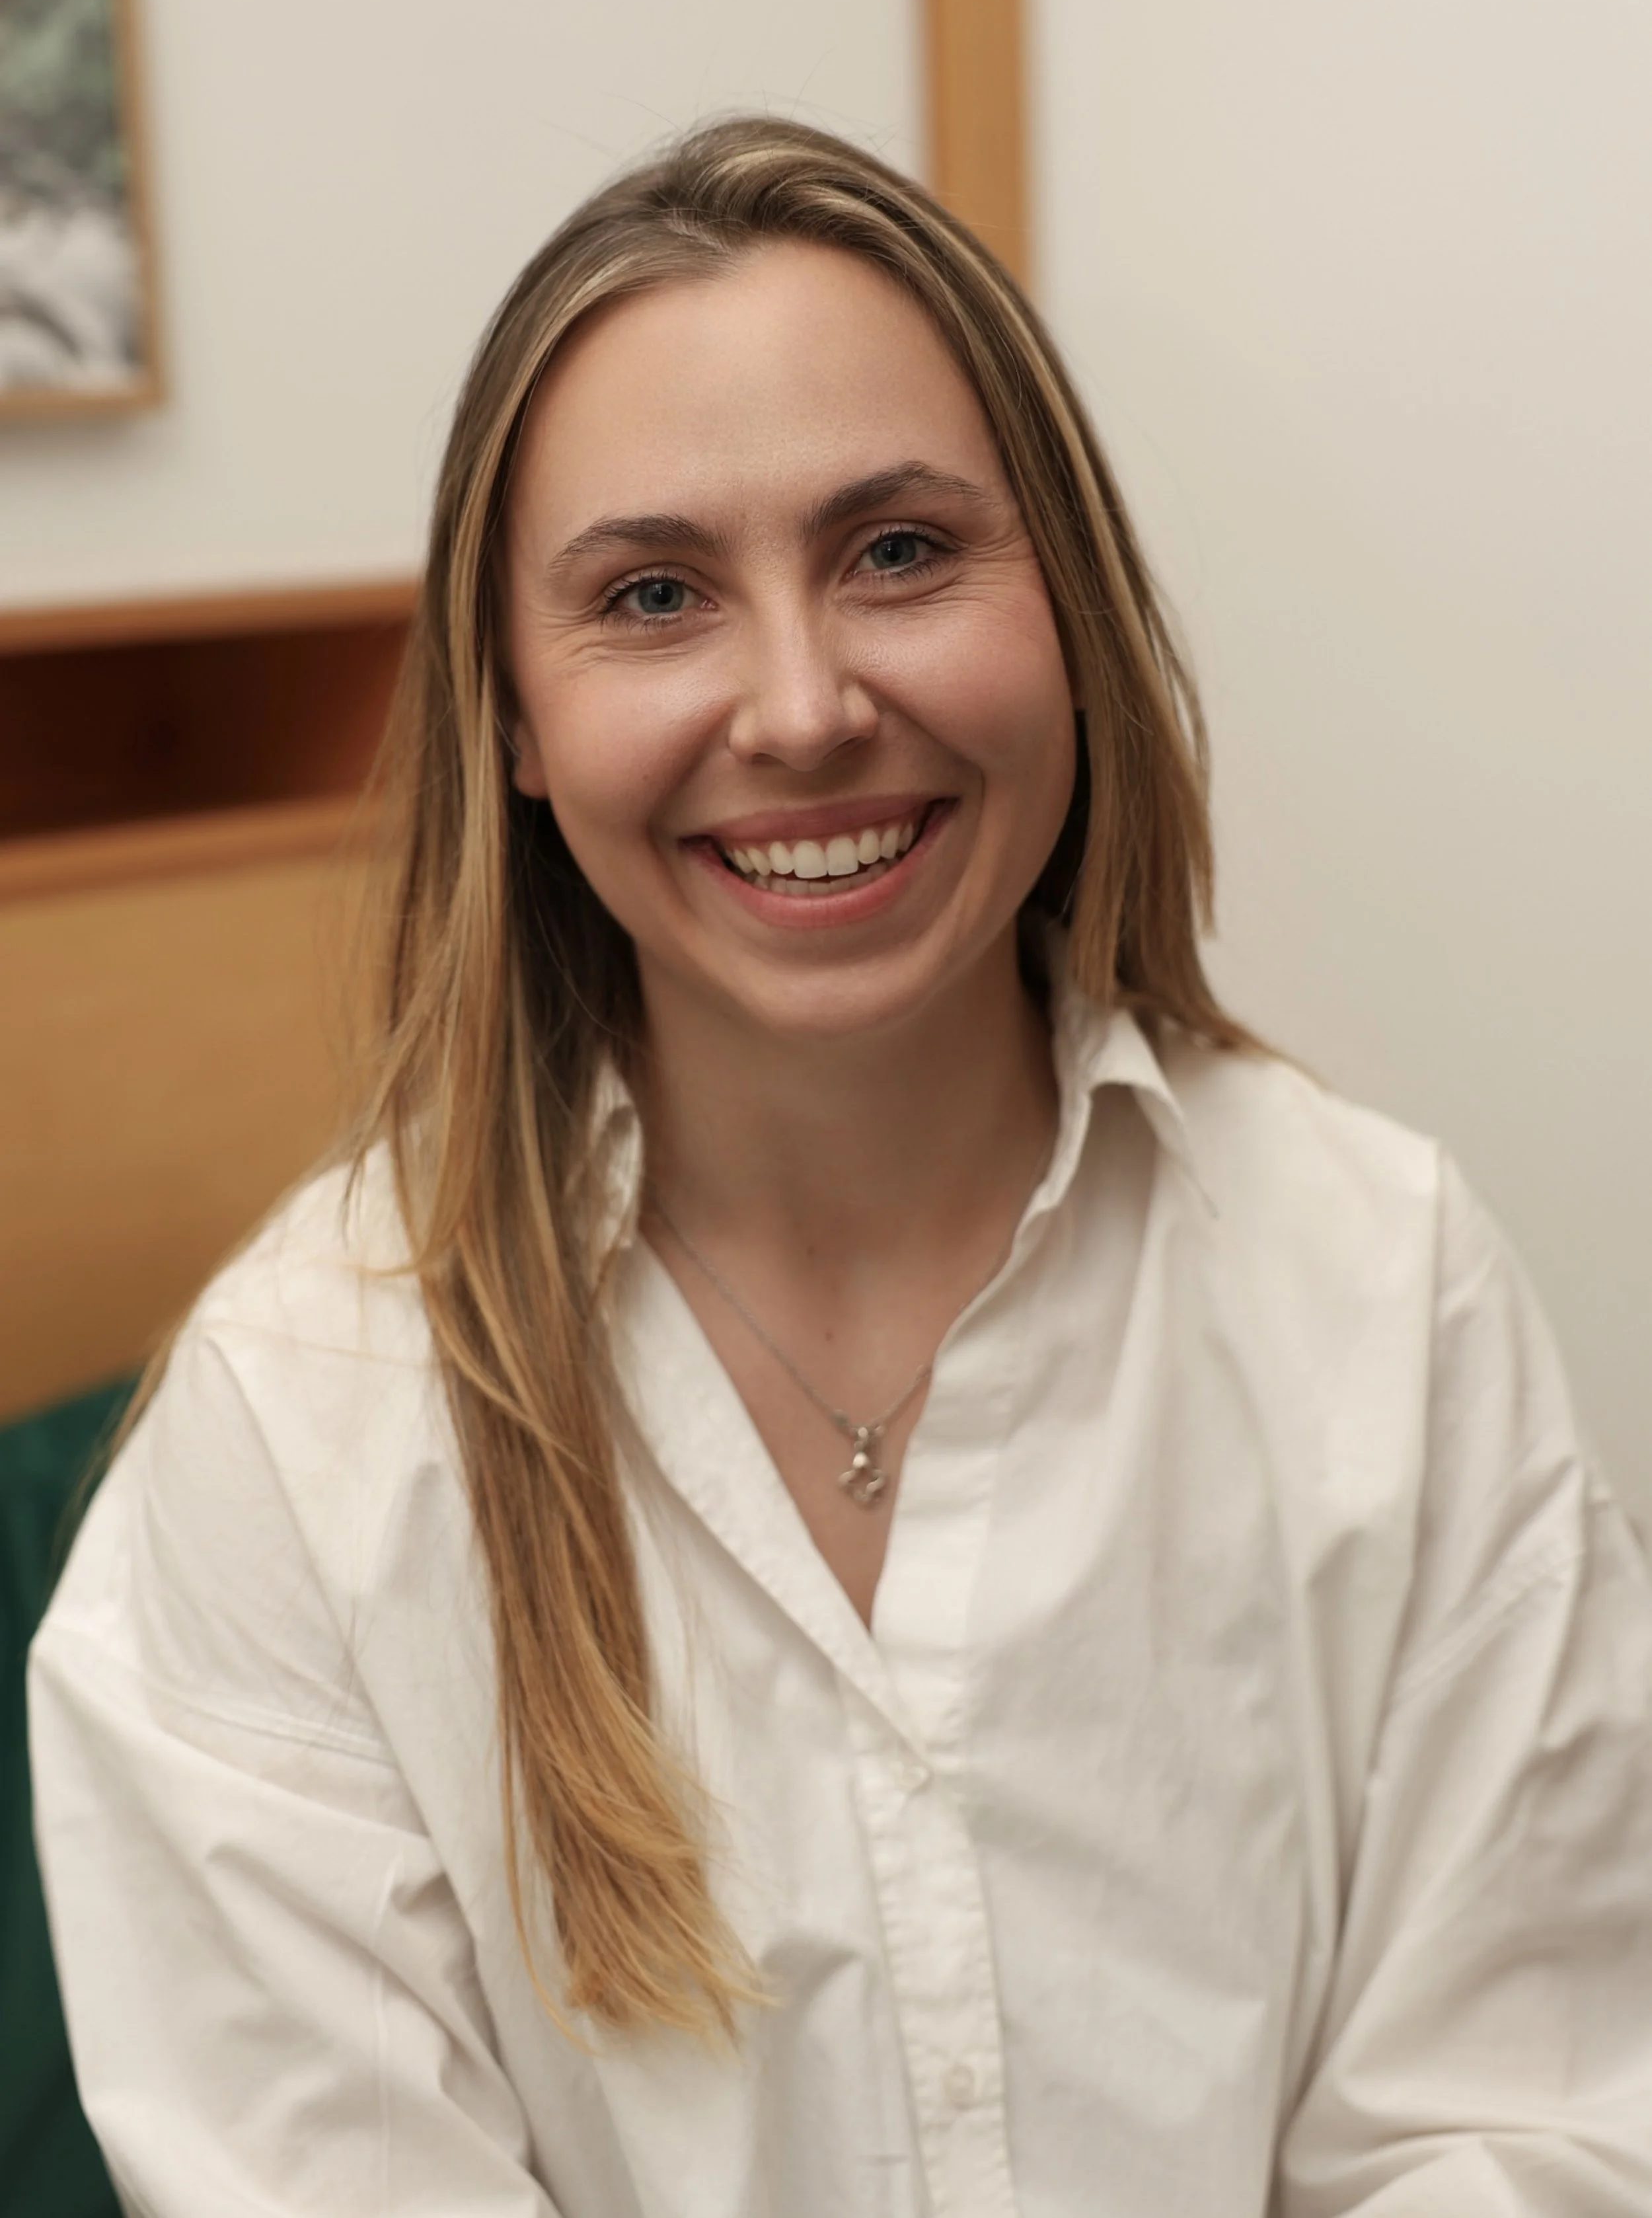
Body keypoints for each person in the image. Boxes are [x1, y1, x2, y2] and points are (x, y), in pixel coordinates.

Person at [28, 116, 1652, 2216]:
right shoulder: (296, 1436)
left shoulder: (1380, 1283)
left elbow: (1521, 2126)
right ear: (511, 717)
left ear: (1061, 605)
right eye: (651, 597)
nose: (799, 710)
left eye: (896, 551)